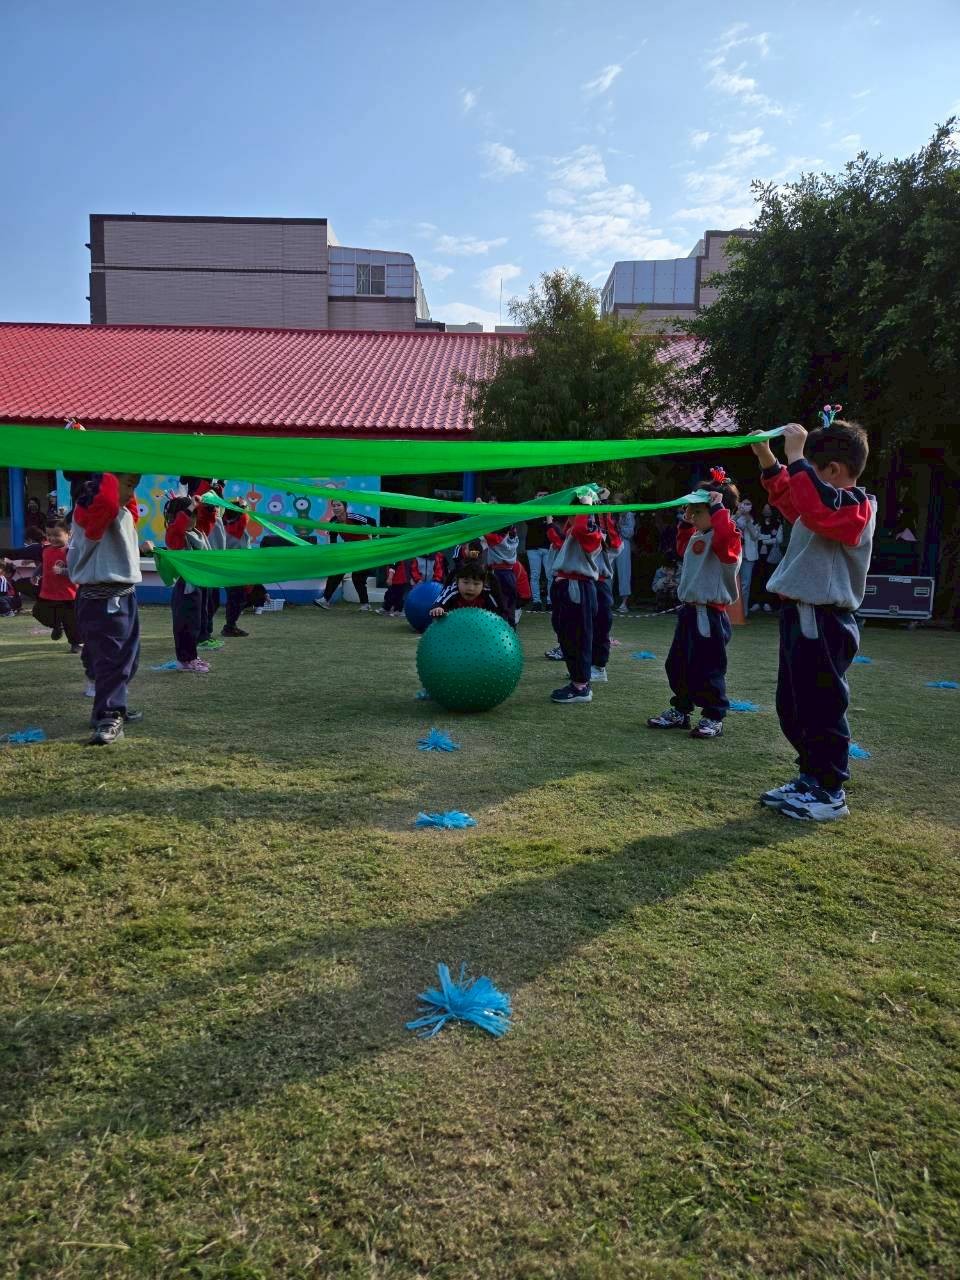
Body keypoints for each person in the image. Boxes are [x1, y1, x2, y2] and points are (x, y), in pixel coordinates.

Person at [751, 417, 876, 822]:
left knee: (822, 706)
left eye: (812, 470)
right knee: (793, 706)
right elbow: (794, 501)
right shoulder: (819, 504)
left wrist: (796, 456)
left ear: (833, 471)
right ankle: (810, 777)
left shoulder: (855, 506)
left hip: (823, 619)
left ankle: (830, 790)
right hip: (800, 614)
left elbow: (815, 506)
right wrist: (768, 459)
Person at [647, 468, 742, 739]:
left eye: (698, 511)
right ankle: (681, 709)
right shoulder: (699, 534)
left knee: (708, 668)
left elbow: (724, 543)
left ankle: (714, 715)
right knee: (677, 664)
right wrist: (687, 522)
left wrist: (719, 509)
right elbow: (681, 548)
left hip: (709, 616)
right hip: (689, 612)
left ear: (719, 512)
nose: (692, 515)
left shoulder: (728, 537)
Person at [68, 472, 144, 746]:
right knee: (112, 660)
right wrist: (108, 464)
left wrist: (127, 478)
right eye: (128, 484)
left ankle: (108, 705)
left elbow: (124, 504)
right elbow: (109, 500)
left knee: (128, 658)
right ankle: (109, 714)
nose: (132, 492)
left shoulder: (122, 512)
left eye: (135, 485)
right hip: (102, 597)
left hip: (124, 596)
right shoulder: (91, 510)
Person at [546, 488, 603, 704]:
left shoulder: (590, 529)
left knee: (578, 637)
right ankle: (577, 681)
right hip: (567, 586)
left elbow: (582, 527)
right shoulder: (573, 529)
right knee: (566, 635)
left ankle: (581, 686)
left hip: (578, 587)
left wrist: (586, 504)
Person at [164, 495, 212, 673]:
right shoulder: (175, 535)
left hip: (198, 583)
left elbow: (209, 521)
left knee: (195, 623)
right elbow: (178, 525)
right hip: (185, 586)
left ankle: (191, 656)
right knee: (186, 624)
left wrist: (208, 503)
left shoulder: (196, 534)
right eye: (189, 515)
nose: (193, 518)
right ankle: (185, 660)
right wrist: (191, 506)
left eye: (195, 514)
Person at [313, 499, 376, 611]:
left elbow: (373, 521)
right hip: (349, 552)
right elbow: (333, 538)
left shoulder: (354, 517)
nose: (336, 508)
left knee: (358, 577)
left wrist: (374, 539)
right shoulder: (333, 521)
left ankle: (365, 605)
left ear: (345, 507)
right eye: (334, 506)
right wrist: (334, 554)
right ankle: (325, 600)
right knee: (337, 571)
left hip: (364, 551)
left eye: (339, 505)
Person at [32, 520, 81, 650]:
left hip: (69, 594)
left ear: (69, 534)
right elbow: (44, 564)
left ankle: (76, 644)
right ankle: (57, 625)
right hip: (48, 592)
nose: (52, 538)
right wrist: (35, 574)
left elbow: (78, 571)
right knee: (38, 612)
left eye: (56, 535)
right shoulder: (46, 550)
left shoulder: (71, 551)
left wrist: (63, 571)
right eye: (49, 535)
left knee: (71, 621)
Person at [590, 489, 623, 684]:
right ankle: (586, 666)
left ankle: (599, 667)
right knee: (585, 628)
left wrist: (602, 505)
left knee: (600, 628)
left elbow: (613, 540)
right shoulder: (587, 530)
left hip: (599, 584)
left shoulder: (611, 541)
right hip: (585, 584)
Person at [429, 558, 507, 619]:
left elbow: (499, 613)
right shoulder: (452, 591)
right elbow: (439, 603)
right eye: (465, 582)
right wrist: (438, 609)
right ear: (457, 581)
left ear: (483, 584)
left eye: (476, 584)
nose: (470, 588)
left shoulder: (487, 594)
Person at [221, 500, 252, 638]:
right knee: (235, 598)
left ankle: (231, 625)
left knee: (240, 598)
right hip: (232, 572)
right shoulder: (228, 531)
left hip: (241, 571)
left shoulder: (241, 531)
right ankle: (230, 626)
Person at [482, 523, 520, 626]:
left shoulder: (496, 539)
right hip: (510, 574)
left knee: (499, 603)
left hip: (498, 574)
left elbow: (482, 530)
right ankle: (511, 627)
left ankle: (501, 626)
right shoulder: (514, 539)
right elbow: (512, 528)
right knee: (511, 603)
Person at [523, 490, 554, 611]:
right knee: (535, 575)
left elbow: (552, 527)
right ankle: (536, 601)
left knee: (550, 575)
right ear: (535, 497)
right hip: (533, 548)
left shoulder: (552, 509)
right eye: (540, 495)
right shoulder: (530, 509)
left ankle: (550, 601)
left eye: (545, 496)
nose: (542, 497)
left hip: (547, 547)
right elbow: (529, 521)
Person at [753, 503, 784, 612]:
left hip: (772, 555)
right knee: (759, 577)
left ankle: (768, 602)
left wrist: (765, 540)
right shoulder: (758, 523)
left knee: (770, 577)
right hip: (759, 555)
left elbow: (779, 539)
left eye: (768, 509)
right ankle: (758, 602)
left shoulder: (778, 524)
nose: (766, 511)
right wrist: (770, 537)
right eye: (764, 508)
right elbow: (755, 536)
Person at [734, 498, 761, 612]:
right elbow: (728, 526)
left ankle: (743, 611)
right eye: (743, 503)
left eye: (748, 504)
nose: (745, 506)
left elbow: (755, 536)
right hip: (735, 553)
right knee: (733, 582)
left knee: (745, 584)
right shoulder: (735, 517)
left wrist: (748, 521)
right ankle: (733, 610)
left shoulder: (755, 520)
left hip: (748, 556)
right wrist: (737, 516)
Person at [612, 495, 635, 613]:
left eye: (619, 503)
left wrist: (619, 526)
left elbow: (630, 532)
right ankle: (607, 600)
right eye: (615, 503)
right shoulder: (611, 513)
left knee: (624, 572)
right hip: (611, 544)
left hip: (623, 544)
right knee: (609, 572)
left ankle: (624, 603)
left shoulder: (629, 514)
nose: (617, 505)